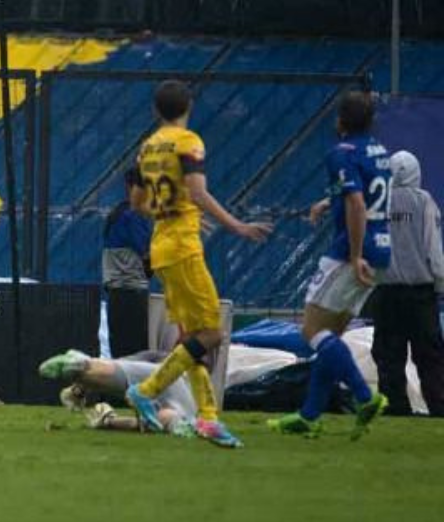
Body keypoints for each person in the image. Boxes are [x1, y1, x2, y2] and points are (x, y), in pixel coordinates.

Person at [126, 80, 272, 448]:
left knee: (191, 338)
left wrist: (172, 211)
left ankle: (208, 418)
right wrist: (237, 225)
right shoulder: (189, 141)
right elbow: (197, 191)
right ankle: (146, 390)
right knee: (212, 333)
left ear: (155, 111)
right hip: (183, 248)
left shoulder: (148, 147)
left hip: (162, 245)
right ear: (188, 106)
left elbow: (138, 202)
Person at [268, 91, 392, 438]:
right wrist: (328, 201)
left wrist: (353, 256)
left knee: (311, 330)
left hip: (352, 252)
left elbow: (355, 201)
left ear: (340, 121)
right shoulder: (379, 152)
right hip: (382, 249)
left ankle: (364, 396)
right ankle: (309, 416)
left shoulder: (340, 153)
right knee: (331, 336)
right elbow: (366, 191)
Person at [371, 151, 444, 415]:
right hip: (420, 294)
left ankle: (394, 406)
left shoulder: (378, 204)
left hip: (386, 293)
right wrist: (440, 285)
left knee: (389, 356)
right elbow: (433, 251)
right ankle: (438, 406)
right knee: (429, 356)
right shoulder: (424, 202)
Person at [40, 349, 197, 435]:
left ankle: (82, 366)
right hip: (173, 377)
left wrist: (109, 421)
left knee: (118, 369)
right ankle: (81, 370)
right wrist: (110, 422)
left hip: (162, 362)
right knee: (162, 421)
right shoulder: (189, 413)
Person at [102, 166, 152, 358]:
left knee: (121, 352)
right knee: (135, 353)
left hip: (117, 294)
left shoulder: (118, 213)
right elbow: (148, 255)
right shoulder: (132, 216)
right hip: (131, 294)